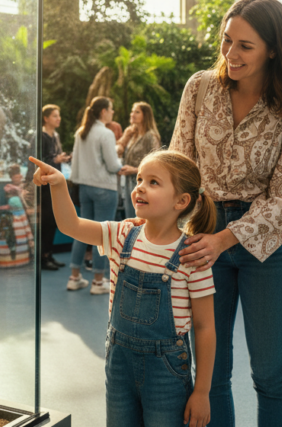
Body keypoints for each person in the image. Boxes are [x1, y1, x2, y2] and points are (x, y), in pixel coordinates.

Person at [170, 0, 282, 427]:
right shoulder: (198, 88)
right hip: (201, 235)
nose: (230, 54)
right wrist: (162, 226)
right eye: (226, 41)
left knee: (270, 375)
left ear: (273, 48)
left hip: (266, 248)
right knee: (210, 374)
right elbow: (180, 162)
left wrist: (225, 239)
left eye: (244, 46)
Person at [29, 150, 216, 427]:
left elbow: (204, 327)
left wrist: (202, 391)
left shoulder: (192, 256)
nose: (140, 186)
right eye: (139, 178)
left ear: (182, 201)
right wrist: (58, 184)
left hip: (167, 374)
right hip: (119, 368)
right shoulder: (121, 235)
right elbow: (71, 225)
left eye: (153, 182)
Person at [67, 96, 122, 295]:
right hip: (104, 189)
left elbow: (76, 163)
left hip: (84, 188)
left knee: (81, 231)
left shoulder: (81, 132)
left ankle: (74, 277)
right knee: (102, 234)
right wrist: (122, 166)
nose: (112, 112)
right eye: (111, 109)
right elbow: (112, 165)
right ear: (103, 112)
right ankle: (98, 282)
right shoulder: (106, 134)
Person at [30, 105, 70, 271]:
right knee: (45, 222)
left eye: (58, 116)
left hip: (54, 184)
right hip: (44, 186)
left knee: (53, 221)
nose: (58, 119)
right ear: (46, 118)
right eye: (55, 116)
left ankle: (48, 254)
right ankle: (42, 257)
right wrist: (56, 160)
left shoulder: (55, 136)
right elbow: (37, 160)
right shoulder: (40, 136)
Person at [116, 102, 161, 219]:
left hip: (142, 183)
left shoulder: (151, 136)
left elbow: (157, 164)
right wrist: (125, 136)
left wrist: (134, 170)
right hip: (128, 182)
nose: (132, 114)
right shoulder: (132, 134)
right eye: (132, 111)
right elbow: (118, 150)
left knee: (140, 218)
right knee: (130, 217)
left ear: (145, 115)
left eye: (137, 112)